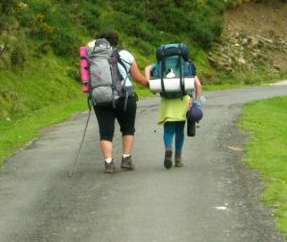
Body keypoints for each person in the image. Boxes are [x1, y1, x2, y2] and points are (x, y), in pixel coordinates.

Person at [86, 31, 148, 173]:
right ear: (116, 42)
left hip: (101, 98)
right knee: (128, 128)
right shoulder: (126, 55)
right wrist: (151, 85)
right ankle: (126, 159)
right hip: (125, 96)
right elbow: (138, 77)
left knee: (105, 131)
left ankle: (109, 163)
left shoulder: (93, 56)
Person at [149, 57, 202, 169]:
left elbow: (147, 69)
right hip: (183, 101)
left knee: (168, 130)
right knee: (179, 131)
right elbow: (198, 85)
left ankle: (168, 148)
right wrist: (196, 102)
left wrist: (149, 84)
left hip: (167, 101)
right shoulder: (186, 65)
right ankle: (178, 159)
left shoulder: (161, 64)